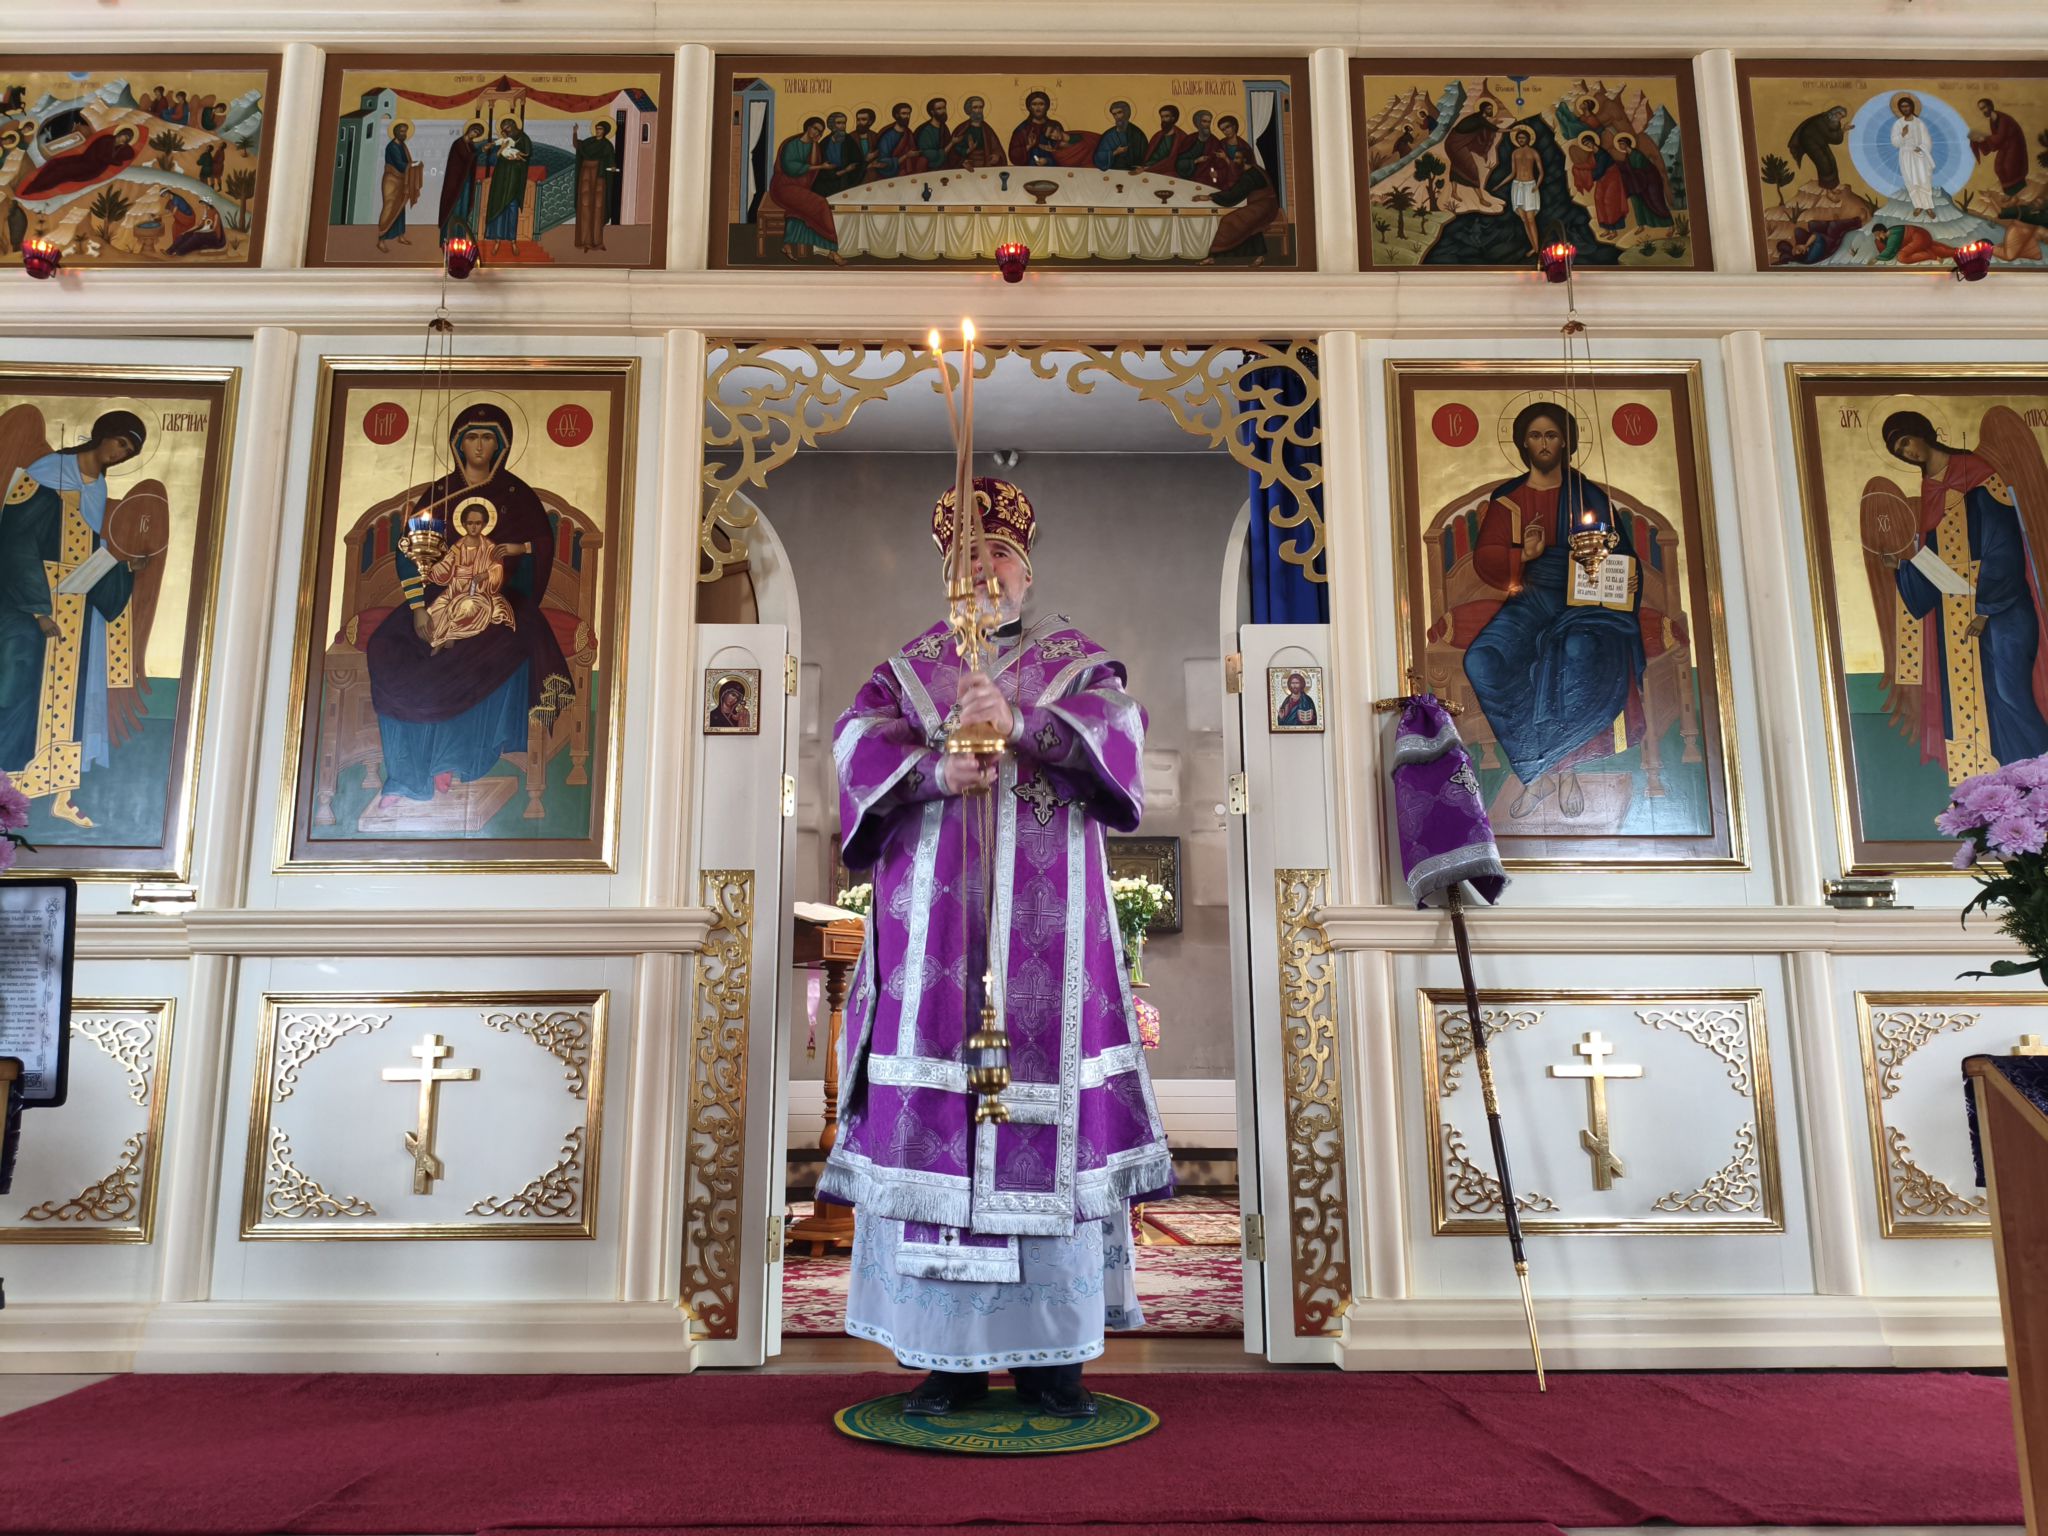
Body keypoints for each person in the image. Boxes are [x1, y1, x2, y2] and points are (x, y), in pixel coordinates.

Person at [821, 476, 1170, 1422]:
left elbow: (1122, 737)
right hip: (934, 947)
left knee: (1046, 1122)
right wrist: (935, 769)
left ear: (1028, 571)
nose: (984, 570)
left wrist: (1023, 725)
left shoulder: (1075, 664)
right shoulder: (908, 673)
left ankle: (1055, 1362)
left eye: (1000, 555)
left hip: (1050, 955)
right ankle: (947, 1361)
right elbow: (853, 750)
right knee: (939, 1120)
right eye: (966, 557)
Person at [363, 404, 571, 809]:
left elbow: (541, 545)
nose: (479, 445)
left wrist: (516, 554)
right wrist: (419, 606)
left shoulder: (516, 495)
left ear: (501, 444)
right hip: (439, 598)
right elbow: (411, 549)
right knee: (386, 645)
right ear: (458, 443)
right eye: (472, 437)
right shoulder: (441, 494)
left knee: (476, 649)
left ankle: (451, 758)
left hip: (500, 599)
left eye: (488, 437)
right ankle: (406, 775)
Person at [1461, 403, 1645, 820]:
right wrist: (1523, 554)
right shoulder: (1508, 500)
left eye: (1551, 435)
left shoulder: (1588, 495)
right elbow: (1485, 559)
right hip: (1531, 597)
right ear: (1523, 443)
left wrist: (1628, 579)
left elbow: (1621, 554)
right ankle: (1533, 769)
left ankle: (1565, 771)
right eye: (1535, 435)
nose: (1543, 443)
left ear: (1566, 442)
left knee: (1576, 652)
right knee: (1482, 659)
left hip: (1584, 598)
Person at [0, 410, 153, 829]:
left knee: (73, 699)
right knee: (19, 689)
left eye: (130, 451)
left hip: (75, 609)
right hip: (29, 605)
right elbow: (15, 542)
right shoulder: (46, 473)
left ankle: (61, 796)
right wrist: (38, 610)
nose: (121, 454)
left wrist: (123, 568)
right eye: (121, 443)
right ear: (103, 435)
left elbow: (89, 548)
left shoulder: (98, 487)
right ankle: (8, 787)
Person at [1880, 410, 2048, 782]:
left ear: (1922, 433)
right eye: (1898, 451)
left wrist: (1984, 610)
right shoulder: (1931, 491)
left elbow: (2003, 547)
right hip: (1958, 616)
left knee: (2009, 693)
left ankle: (2043, 776)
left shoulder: (1978, 475)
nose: (1907, 452)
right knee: (1985, 701)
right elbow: (1938, 564)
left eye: (1906, 441)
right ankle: (2011, 783)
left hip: (2003, 609)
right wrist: (1902, 567)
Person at [421, 500, 529, 653]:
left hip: (478, 594)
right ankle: (446, 636)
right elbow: (445, 566)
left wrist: (486, 575)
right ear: (464, 524)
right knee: (434, 613)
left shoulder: (489, 548)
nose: (473, 527)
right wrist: (429, 570)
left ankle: (445, 638)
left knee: (469, 608)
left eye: (478, 523)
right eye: (470, 523)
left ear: (484, 525)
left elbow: (497, 569)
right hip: (454, 593)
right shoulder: (457, 547)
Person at [1192, 117, 1277, 264]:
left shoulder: (1250, 175)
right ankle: (1259, 255)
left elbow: (1234, 195)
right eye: (1222, 129)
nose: (1234, 160)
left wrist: (1209, 197)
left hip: (1263, 206)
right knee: (1247, 223)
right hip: (1258, 202)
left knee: (1230, 221)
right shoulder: (1252, 170)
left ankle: (1214, 256)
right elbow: (1232, 178)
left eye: (1237, 158)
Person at [769, 116, 841, 262]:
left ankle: (787, 244)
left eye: (820, 132)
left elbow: (813, 164)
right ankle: (832, 249)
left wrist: (814, 144)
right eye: (815, 128)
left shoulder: (814, 146)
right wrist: (821, 167)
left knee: (798, 211)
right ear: (807, 127)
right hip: (784, 187)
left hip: (800, 188)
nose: (817, 133)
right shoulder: (792, 145)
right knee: (821, 204)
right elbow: (791, 168)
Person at [483, 116, 534, 250]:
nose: (506, 131)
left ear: (514, 125)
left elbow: (527, 154)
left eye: (508, 127)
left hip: (515, 178)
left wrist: (518, 157)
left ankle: (512, 240)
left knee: (512, 206)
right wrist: (500, 150)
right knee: (498, 206)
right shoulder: (503, 140)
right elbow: (491, 160)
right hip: (500, 178)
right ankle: (497, 238)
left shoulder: (523, 139)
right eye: (504, 129)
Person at [375, 121, 422, 252]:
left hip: (401, 180)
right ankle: (381, 240)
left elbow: (405, 163)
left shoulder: (402, 145)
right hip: (392, 181)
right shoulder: (392, 147)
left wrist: (413, 164)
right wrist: (413, 164)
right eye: (402, 131)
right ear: (395, 132)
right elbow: (400, 164)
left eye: (405, 132)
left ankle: (400, 236)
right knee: (389, 208)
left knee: (400, 208)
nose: (404, 134)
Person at [438, 122, 487, 245]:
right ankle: (448, 237)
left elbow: (473, 158)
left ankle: (460, 237)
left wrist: (482, 150)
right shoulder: (458, 143)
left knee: (463, 209)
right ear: (469, 129)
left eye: (477, 134)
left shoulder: (470, 145)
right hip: (456, 183)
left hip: (466, 181)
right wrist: (481, 150)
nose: (474, 135)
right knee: (454, 207)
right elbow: (467, 157)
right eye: (474, 131)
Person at [572, 120, 617, 251]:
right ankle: (585, 242)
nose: (598, 131)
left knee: (598, 208)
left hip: (599, 177)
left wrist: (612, 167)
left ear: (605, 131)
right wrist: (575, 133)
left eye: (600, 129)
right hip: (586, 176)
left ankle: (597, 242)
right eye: (597, 128)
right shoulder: (589, 142)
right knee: (585, 206)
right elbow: (578, 145)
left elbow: (611, 161)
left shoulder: (607, 146)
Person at [1971, 98, 2029, 199]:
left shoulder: (2003, 119)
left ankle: (2017, 192)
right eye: (1981, 109)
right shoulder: (1992, 120)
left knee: (2009, 167)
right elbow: (1997, 140)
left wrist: (1984, 138)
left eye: (1984, 107)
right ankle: (2009, 193)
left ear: (1990, 106)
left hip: (2015, 145)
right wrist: (1981, 140)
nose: (1983, 111)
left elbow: (2000, 137)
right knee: (1998, 166)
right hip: (2005, 145)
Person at [1890, 94, 1936, 219]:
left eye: (1907, 106)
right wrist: (1902, 134)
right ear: (1900, 109)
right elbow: (1895, 142)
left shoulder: (1919, 123)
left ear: (1912, 107)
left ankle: (1929, 207)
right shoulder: (1898, 124)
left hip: (1920, 155)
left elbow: (1927, 140)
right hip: (1906, 156)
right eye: (1902, 106)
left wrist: (1921, 148)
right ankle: (1918, 205)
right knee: (1910, 182)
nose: (1905, 108)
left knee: (1924, 180)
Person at [1787, 105, 1848, 189]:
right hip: (1809, 142)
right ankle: (1827, 190)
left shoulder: (1833, 122)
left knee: (1831, 160)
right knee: (1824, 163)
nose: (1840, 117)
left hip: (1820, 141)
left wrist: (1842, 130)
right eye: (1839, 114)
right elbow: (1832, 138)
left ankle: (1831, 187)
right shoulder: (1821, 120)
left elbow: (1834, 136)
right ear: (1834, 112)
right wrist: (1843, 130)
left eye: (1842, 116)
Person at [1505, 125, 1541, 253]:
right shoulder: (1514, 153)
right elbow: (1513, 173)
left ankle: (1536, 247)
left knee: (1531, 219)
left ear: (1528, 139)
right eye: (1519, 138)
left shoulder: (1534, 152)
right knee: (1524, 220)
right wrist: (1499, 184)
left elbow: (1541, 172)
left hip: (1530, 186)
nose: (1521, 140)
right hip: (1517, 186)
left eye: (1523, 138)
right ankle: (1534, 248)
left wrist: (1537, 185)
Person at [1093, 100, 1144, 173]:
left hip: (1134, 172)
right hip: (1113, 172)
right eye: (1114, 114)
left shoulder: (1137, 134)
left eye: (1119, 112)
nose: (1117, 117)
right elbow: (1098, 157)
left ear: (1126, 113)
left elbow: (1146, 156)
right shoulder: (1109, 135)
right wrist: (1115, 152)